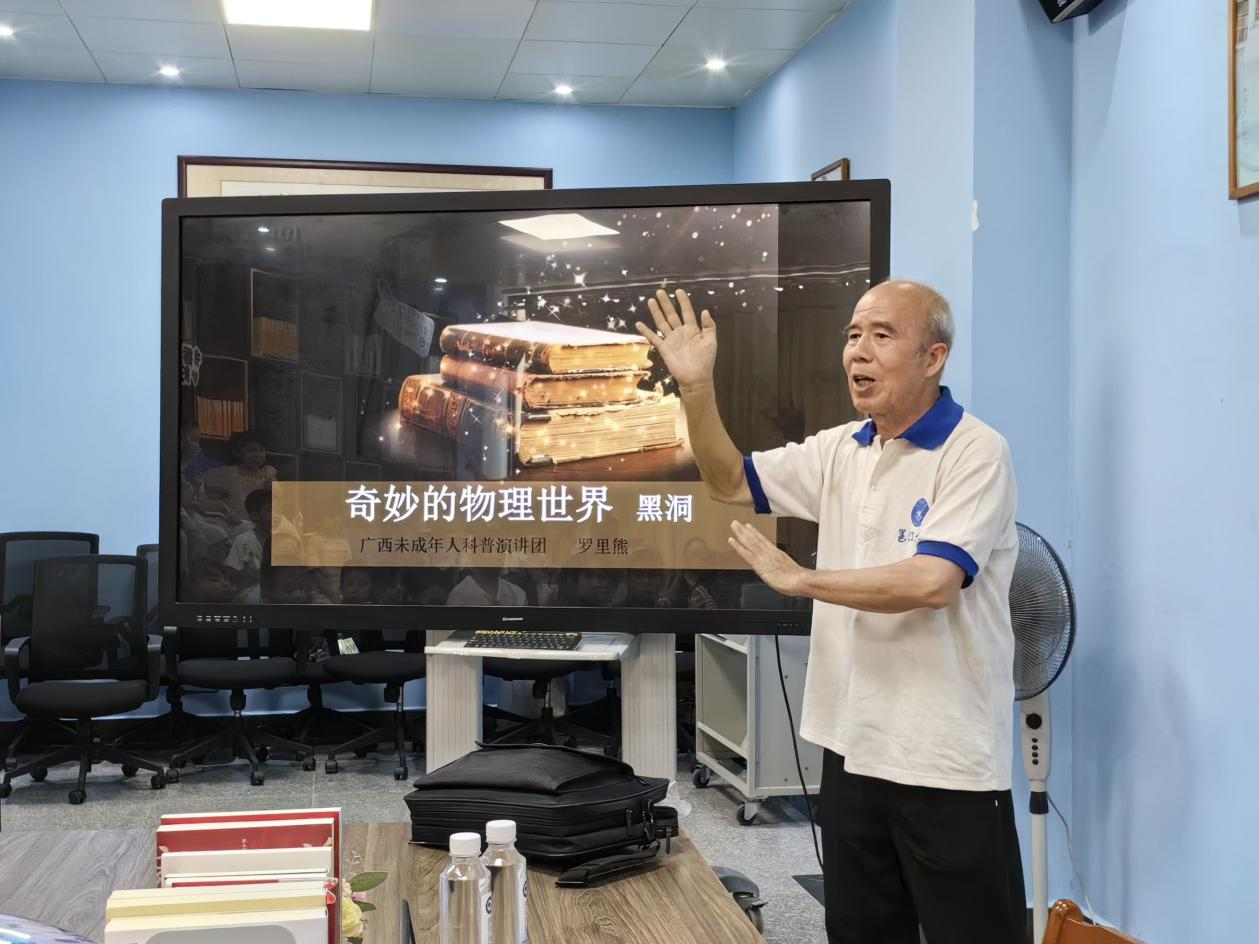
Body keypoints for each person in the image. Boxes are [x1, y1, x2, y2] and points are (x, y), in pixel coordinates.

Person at [637, 282, 1024, 944]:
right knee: (860, 929)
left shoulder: (975, 450)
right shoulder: (842, 448)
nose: (858, 352)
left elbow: (933, 580)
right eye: (852, 335)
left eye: (881, 335)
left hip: (944, 754)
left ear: (933, 357)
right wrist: (696, 388)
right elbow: (728, 480)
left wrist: (802, 579)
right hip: (851, 742)